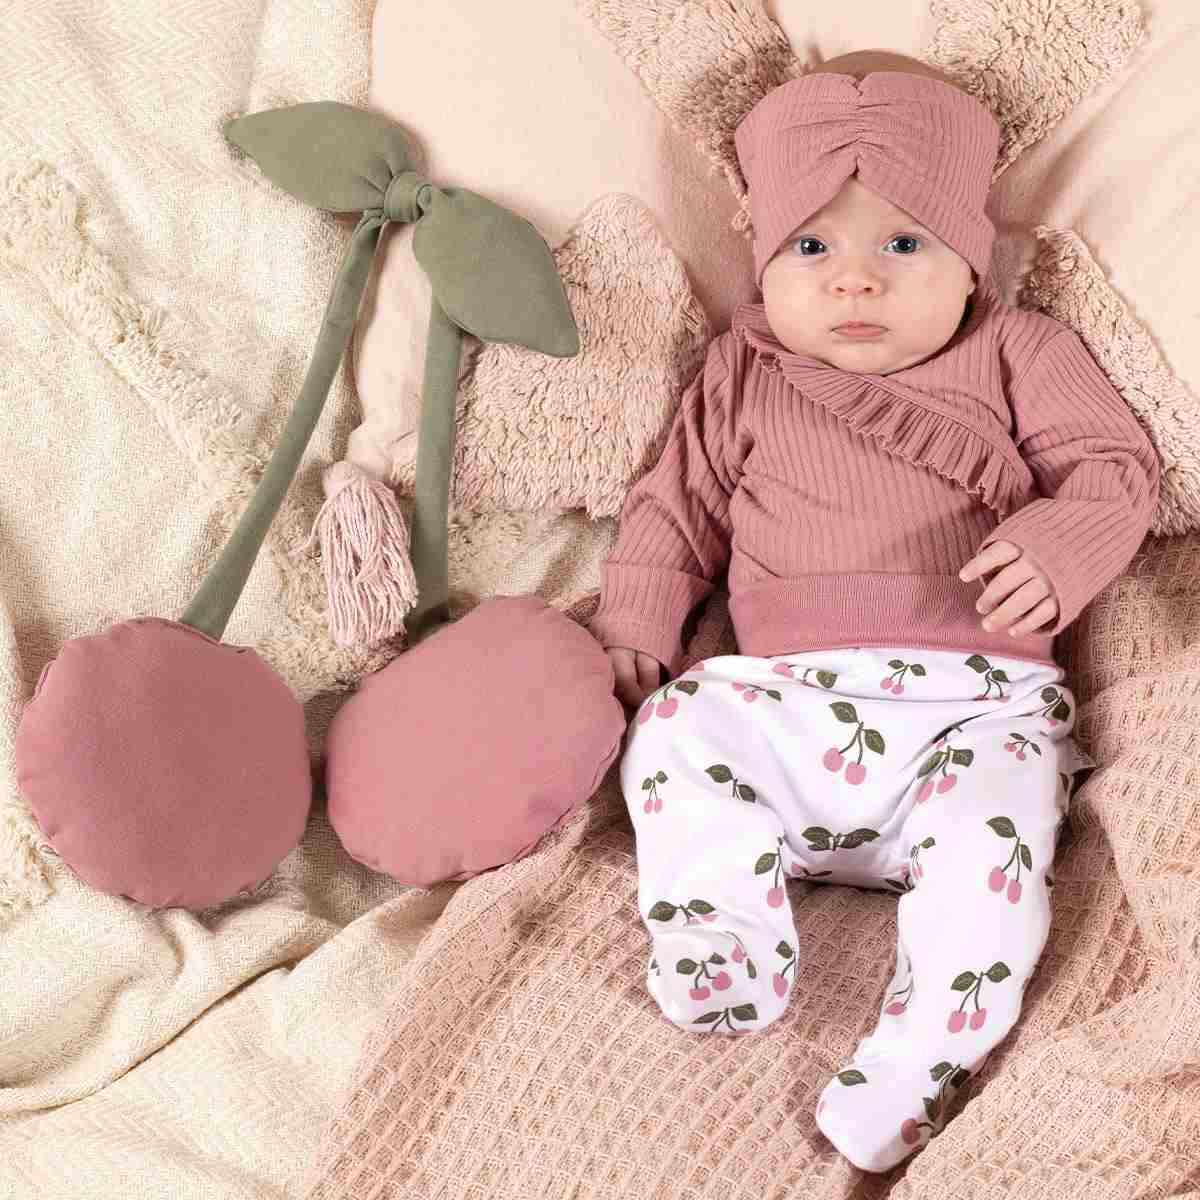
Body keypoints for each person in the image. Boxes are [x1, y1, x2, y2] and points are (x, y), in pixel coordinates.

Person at [586, 49, 1161, 1173]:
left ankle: (918, 1062)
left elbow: (1114, 469)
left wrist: (1062, 546)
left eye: (903, 244)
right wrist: (638, 621)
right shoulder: (742, 372)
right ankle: (723, 935)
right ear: (765, 262)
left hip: (971, 713)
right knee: (678, 728)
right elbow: (672, 508)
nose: (855, 281)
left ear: (971, 261)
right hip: (786, 712)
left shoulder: (1017, 351)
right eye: (813, 248)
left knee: (996, 843)